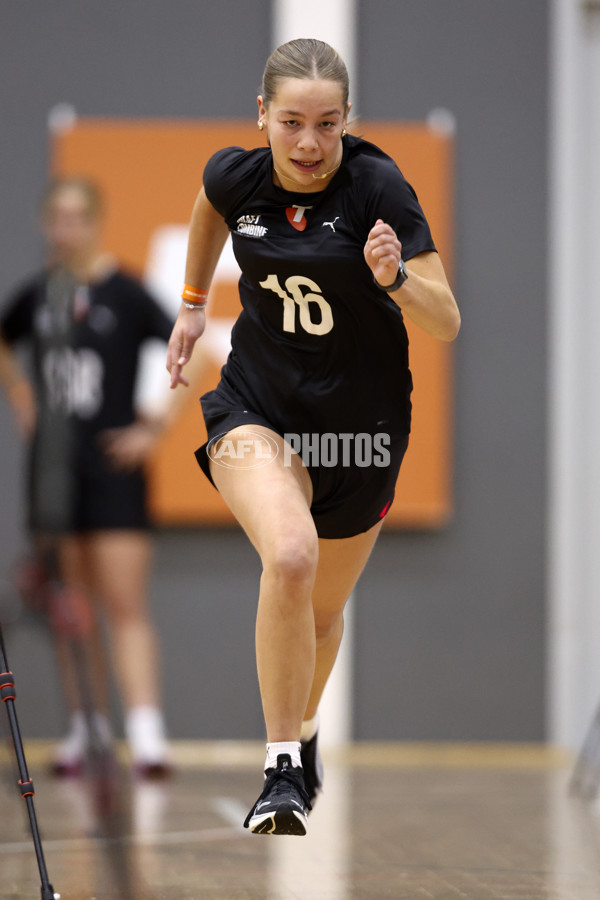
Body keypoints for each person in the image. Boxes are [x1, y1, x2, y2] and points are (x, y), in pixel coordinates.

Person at [167, 38, 460, 834]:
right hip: (257, 408)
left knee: (323, 615)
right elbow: (207, 208)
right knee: (288, 554)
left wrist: (396, 279)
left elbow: (447, 319)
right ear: (262, 115)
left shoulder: (378, 185)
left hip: (359, 436)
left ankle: (300, 730)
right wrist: (194, 302)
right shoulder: (239, 174)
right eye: (291, 122)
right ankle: (282, 772)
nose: (307, 143)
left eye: (327, 124)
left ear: (346, 121)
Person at [0, 176, 179, 777]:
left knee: (125, 602)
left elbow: (193, 348)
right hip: (54, 472)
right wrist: (22, 394)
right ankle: (87, 728)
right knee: (71, 605)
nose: (66, 228)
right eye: (57, 217)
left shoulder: (127, 294)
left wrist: (153, 428)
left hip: (112, 469)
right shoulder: (40, 298)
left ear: (97, 221)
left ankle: (147, 734)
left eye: (78, 216)